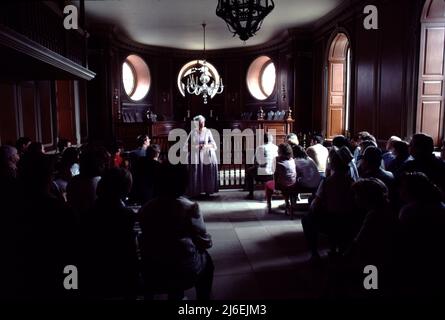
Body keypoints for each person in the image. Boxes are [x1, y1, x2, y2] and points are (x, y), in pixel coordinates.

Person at [138, 164, 214, 300]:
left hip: (154, 267)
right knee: (207, 263)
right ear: (183, 183)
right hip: (182, 269)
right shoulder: (189, 207)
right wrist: (207, 242)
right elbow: (203, 241)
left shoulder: (146, 208)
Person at [81, 167, 138, 300]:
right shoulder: (125, 214)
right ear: (125, 189)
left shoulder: (90, 212)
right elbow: (130, 251)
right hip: (118, 272)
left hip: (94, 271)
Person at [302, 146, 357, 260]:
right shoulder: (352, 182)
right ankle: (337, 248)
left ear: (332, 165)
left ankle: (314, 253)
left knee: (307, 219)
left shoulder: (327, 182)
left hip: (331, 220)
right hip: (349, 219)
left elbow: (315, 204)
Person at [396, 172, 445, 296]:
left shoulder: (409, 211)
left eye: (403, 187)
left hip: (416, 261)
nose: (399, 190)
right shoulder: (439, 205)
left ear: (412, 190)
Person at [186, 115, 219, 197]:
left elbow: (214, 144)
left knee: (207, 172)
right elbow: (186, 145)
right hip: (196, 155)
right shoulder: (192, 132)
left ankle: (208, 190)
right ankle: (196, 190)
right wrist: (196, 146)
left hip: (205, 154)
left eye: (203, 122)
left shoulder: (208, 131)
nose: (202, 124)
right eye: (200, 123)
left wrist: (205, 146)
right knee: (196, 171)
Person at [265, 144, 297, 213]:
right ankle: (287, 203)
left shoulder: (276, 159)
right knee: (285, 180)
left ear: (280, 151)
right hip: (293, 183)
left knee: (268, 184)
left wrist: (276, 187)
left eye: (278, 150)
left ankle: (269, 206)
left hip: (280, 184)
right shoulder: (292, 159)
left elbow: (274, 172)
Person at [245, 132, 278, 199]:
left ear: (263, 140)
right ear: (272, 140)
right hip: (274, 173)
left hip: (262, 174)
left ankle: (251, 194)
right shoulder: (276, 148)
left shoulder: (260, 148)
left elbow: (255, 162)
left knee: (248, 172)